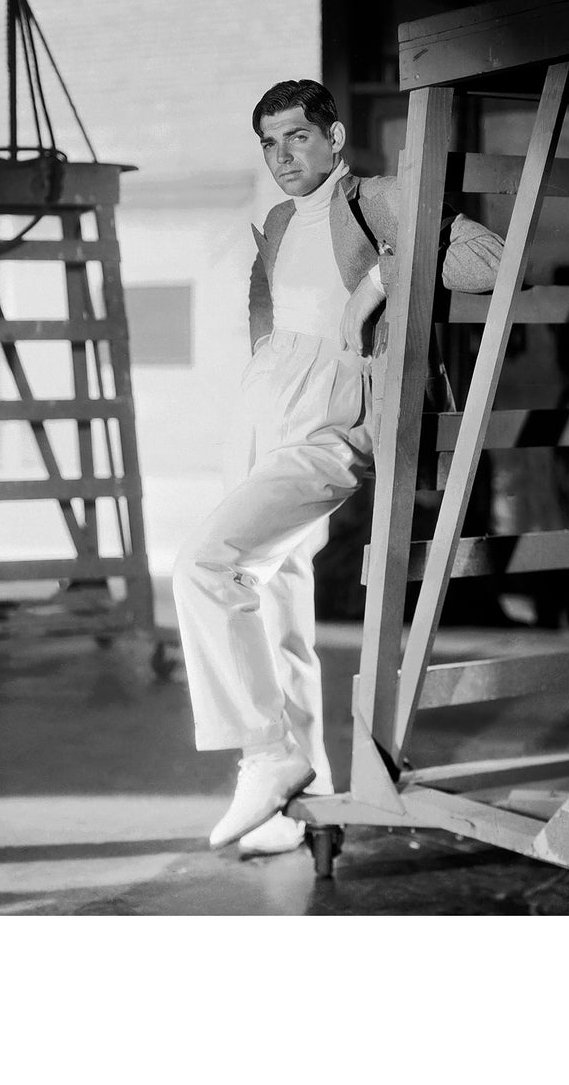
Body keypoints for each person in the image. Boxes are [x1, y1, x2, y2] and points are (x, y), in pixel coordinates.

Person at [172, 79, 504, 856]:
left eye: (294, 136)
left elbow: (488, 261)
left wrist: (381, 280)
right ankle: (299, 797)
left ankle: (264, 753)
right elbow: (276, 319)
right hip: (264, 406)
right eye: (267, 142)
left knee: (205, 564)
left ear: (333, 136)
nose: (280, 156)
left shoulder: (377, 200)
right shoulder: (283, 220)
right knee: (272, 593)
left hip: (334, 413)